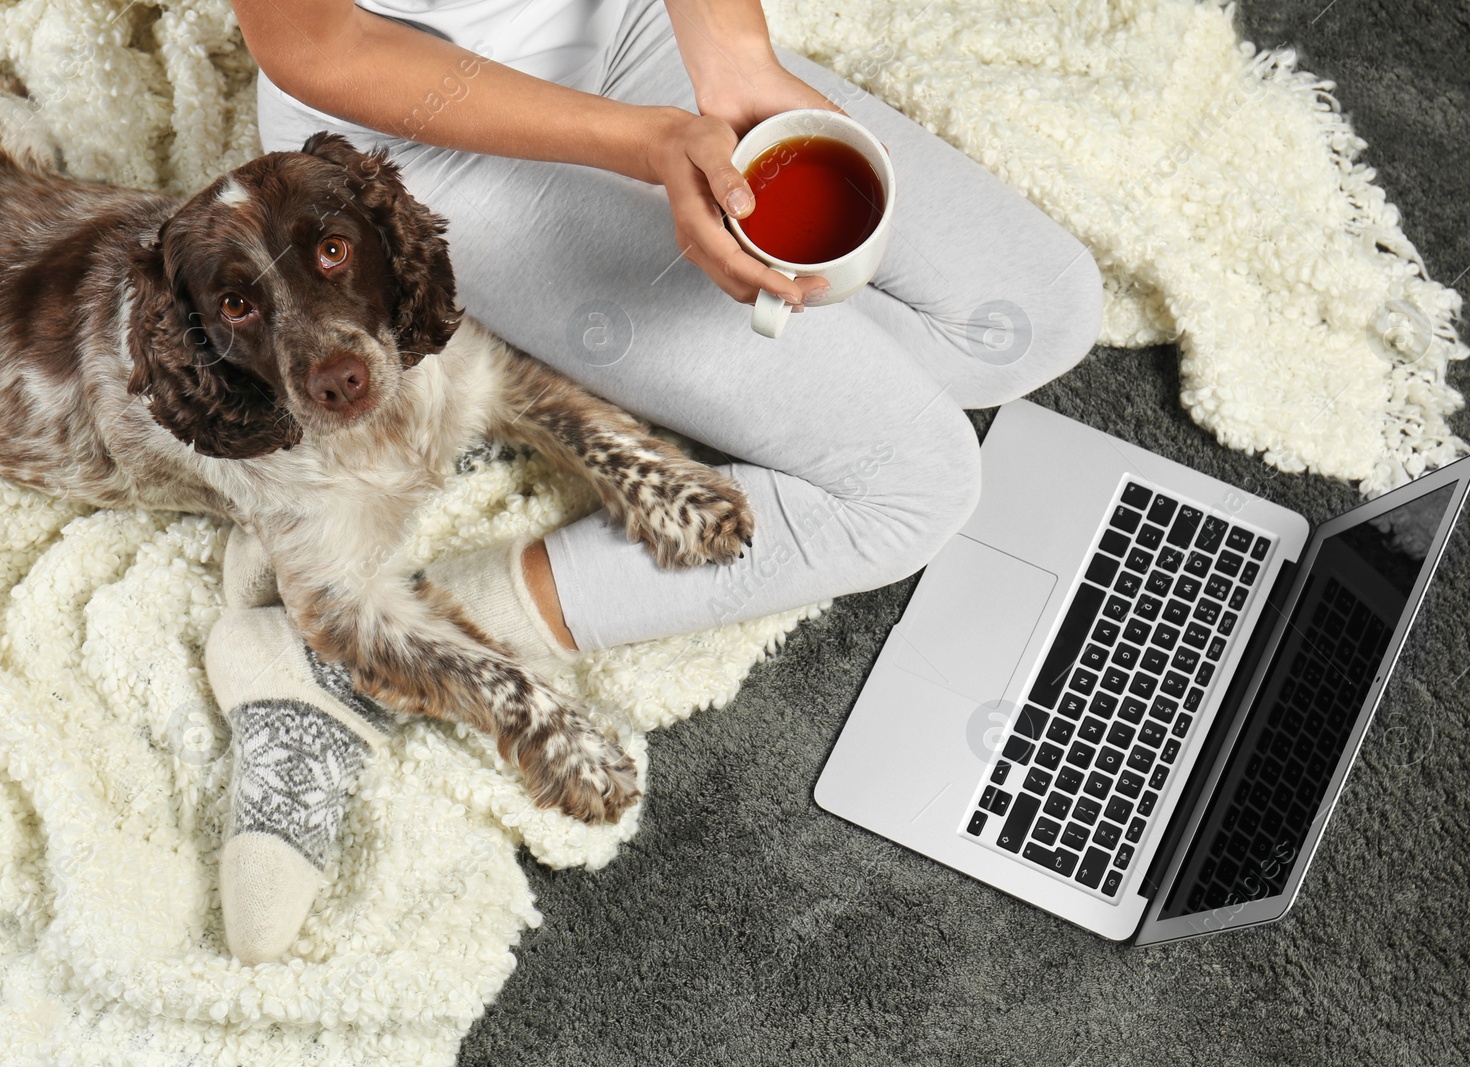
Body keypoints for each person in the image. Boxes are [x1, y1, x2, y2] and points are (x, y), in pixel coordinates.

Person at [211, 0, 1102, 963]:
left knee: (1031, 315)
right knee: (915, 486)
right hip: (412, 142)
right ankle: (352, 655)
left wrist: (731, 55)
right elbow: (317, 44)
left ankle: (714, 375)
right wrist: (650, 144)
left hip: (623, 26)